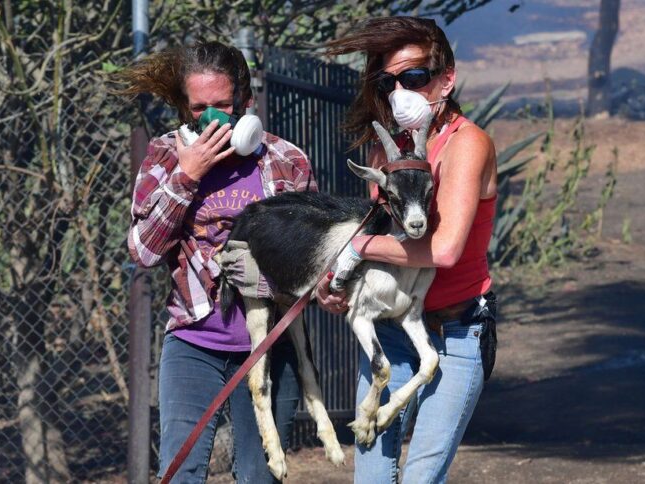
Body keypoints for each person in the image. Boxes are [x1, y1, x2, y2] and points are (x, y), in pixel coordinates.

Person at [119, 41, 318, 483]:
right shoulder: (166, 156)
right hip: (194, 341)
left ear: (246, 103)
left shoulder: (287, 161)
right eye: (199, 108)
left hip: (270, 347)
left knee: (258, 476)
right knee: (179, 472)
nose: (210, 118)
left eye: (223, 106)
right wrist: (186, 176)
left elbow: (312, 269)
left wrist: (267, 280)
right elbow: (143, 251)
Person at [320, 17, 499, 483]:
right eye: (389, 81)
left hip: (458, 335)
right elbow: (385, 243)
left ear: (447, 79)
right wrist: (338, 283)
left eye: (414, 77)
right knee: (373, 478)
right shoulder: (389, 151)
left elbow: (443, 250)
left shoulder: (468, 144)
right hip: (391, 332)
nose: (401, 91)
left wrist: (356, 246)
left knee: (420, 477)